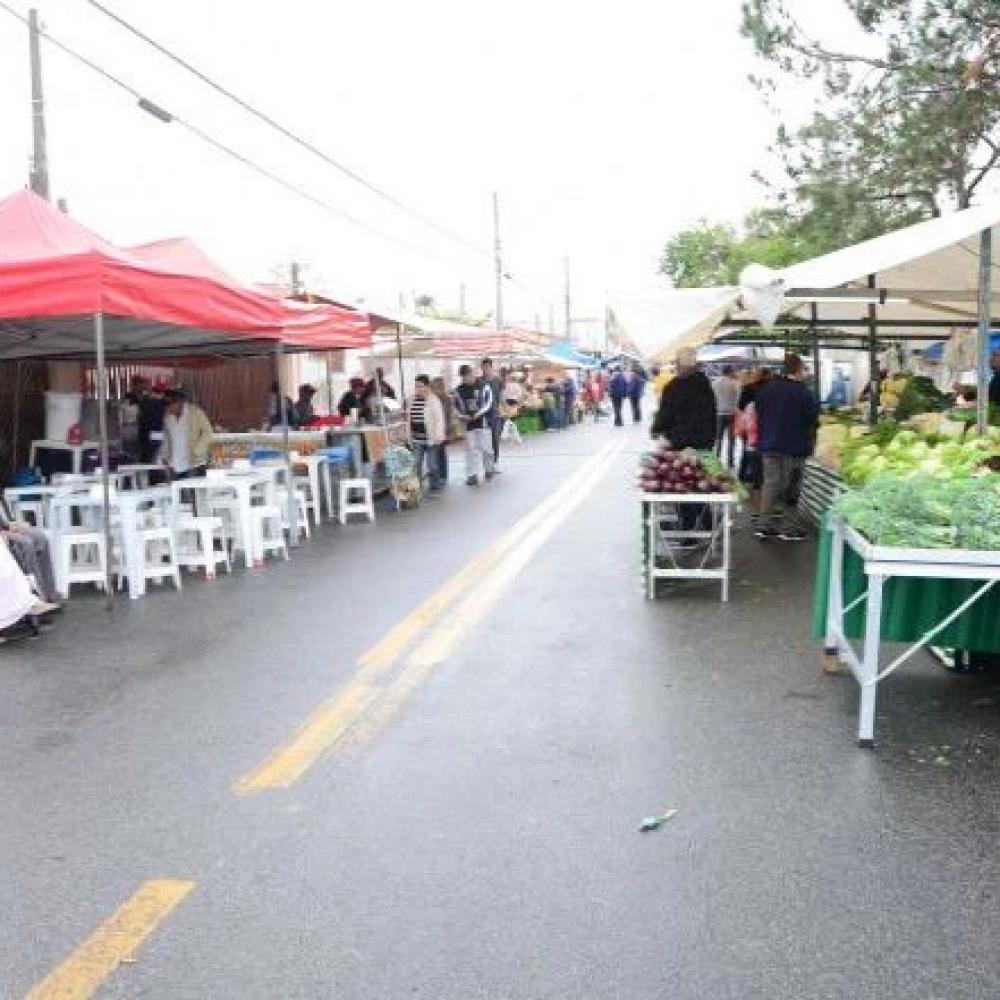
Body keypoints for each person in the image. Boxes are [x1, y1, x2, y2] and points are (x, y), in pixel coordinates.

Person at [650, 347, 717, 536]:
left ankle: (689, 532)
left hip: (681, 444)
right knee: (702, 485)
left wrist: (656, 429)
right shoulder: (706, 386)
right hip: (705, 445)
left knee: (684, 487)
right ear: (694, 365)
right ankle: (708, 525)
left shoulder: (674, 387)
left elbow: (665, 414)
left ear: (679, 364)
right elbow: (712, 416)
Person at [753, 354, 820, 542]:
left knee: (770, 484)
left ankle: (763, 525)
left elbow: (759, 411)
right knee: (791, 485)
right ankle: (788, 528)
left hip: (768, 443)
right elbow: (812, 418)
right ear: (798, 370)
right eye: (804, 369)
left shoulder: (768, 389)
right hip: (793, 445)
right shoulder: (803, 392)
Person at [0, 507, 60, 610]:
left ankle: (48, 592)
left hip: (3, 526)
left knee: (39, 537)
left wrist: (9, 524)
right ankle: (35, 596)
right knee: (24, 543)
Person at [453, 364, 495, 486]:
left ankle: (489, 469)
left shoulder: (484, 386)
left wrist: (479, 413)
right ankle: (472, 475)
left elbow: (489, 402)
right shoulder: (458, 390)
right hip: (468, 424)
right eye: (463, 376)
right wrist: (462, 416)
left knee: (487, 448)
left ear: (472, 373)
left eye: (467, 375)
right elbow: (455, 406)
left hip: (483, 422)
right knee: (470, 450)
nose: (465, 378)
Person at [162, 388, 214, 480]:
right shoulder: (167, 417)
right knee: (176, 493)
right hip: (174, 464)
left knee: (194, 493)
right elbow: (167, 438)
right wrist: (165, 455)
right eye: (165, 405)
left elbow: (208, 433)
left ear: (179, 402)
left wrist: (197, 450)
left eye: (169, 404)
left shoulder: (196, 413)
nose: (166, 407)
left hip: (194, 463)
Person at [407, 375, 446, 494]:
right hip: (416, 438)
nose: (417, 388)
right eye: (416, 386)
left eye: (420, 386)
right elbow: (408, 417)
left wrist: (439, 435)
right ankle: (416, 487)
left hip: (431, 438)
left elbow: (439, 419)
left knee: (432, 464)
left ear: (427, 387)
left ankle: (434, 485)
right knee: (415, 464)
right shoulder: (411, 400)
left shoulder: (433, 400)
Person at [712, 365, 741, 468]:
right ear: (730, 372)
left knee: (718, 438)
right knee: (731, 439)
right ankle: (730, 461)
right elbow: (738, 398)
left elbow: (712, 399)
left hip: (719, 413)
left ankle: (716, 459)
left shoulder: (714, 383)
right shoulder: (734, 383)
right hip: (732, 413)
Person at [430, 376, 454, 484]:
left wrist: (447, 430)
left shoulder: (446, 399)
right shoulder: (431, 399)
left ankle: (443, 475)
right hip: (433, 430)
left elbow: (449, 416)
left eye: (435, 387)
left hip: (442, 430)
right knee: (435, 454)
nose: (433, 389)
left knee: (440, 453)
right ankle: (438, 475)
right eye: (433, 387)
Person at [481, 358, 504, 465]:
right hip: (483, 415)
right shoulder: (479, 381)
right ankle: (487, 463)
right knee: (484, 440)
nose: (485, 370)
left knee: (495, 438)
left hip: (495, 414)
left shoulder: (498, 380)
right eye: (483, 367)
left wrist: (503, 409)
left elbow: (502, 396)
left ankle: (495, 462)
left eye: (487, 367)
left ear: (491, 367)